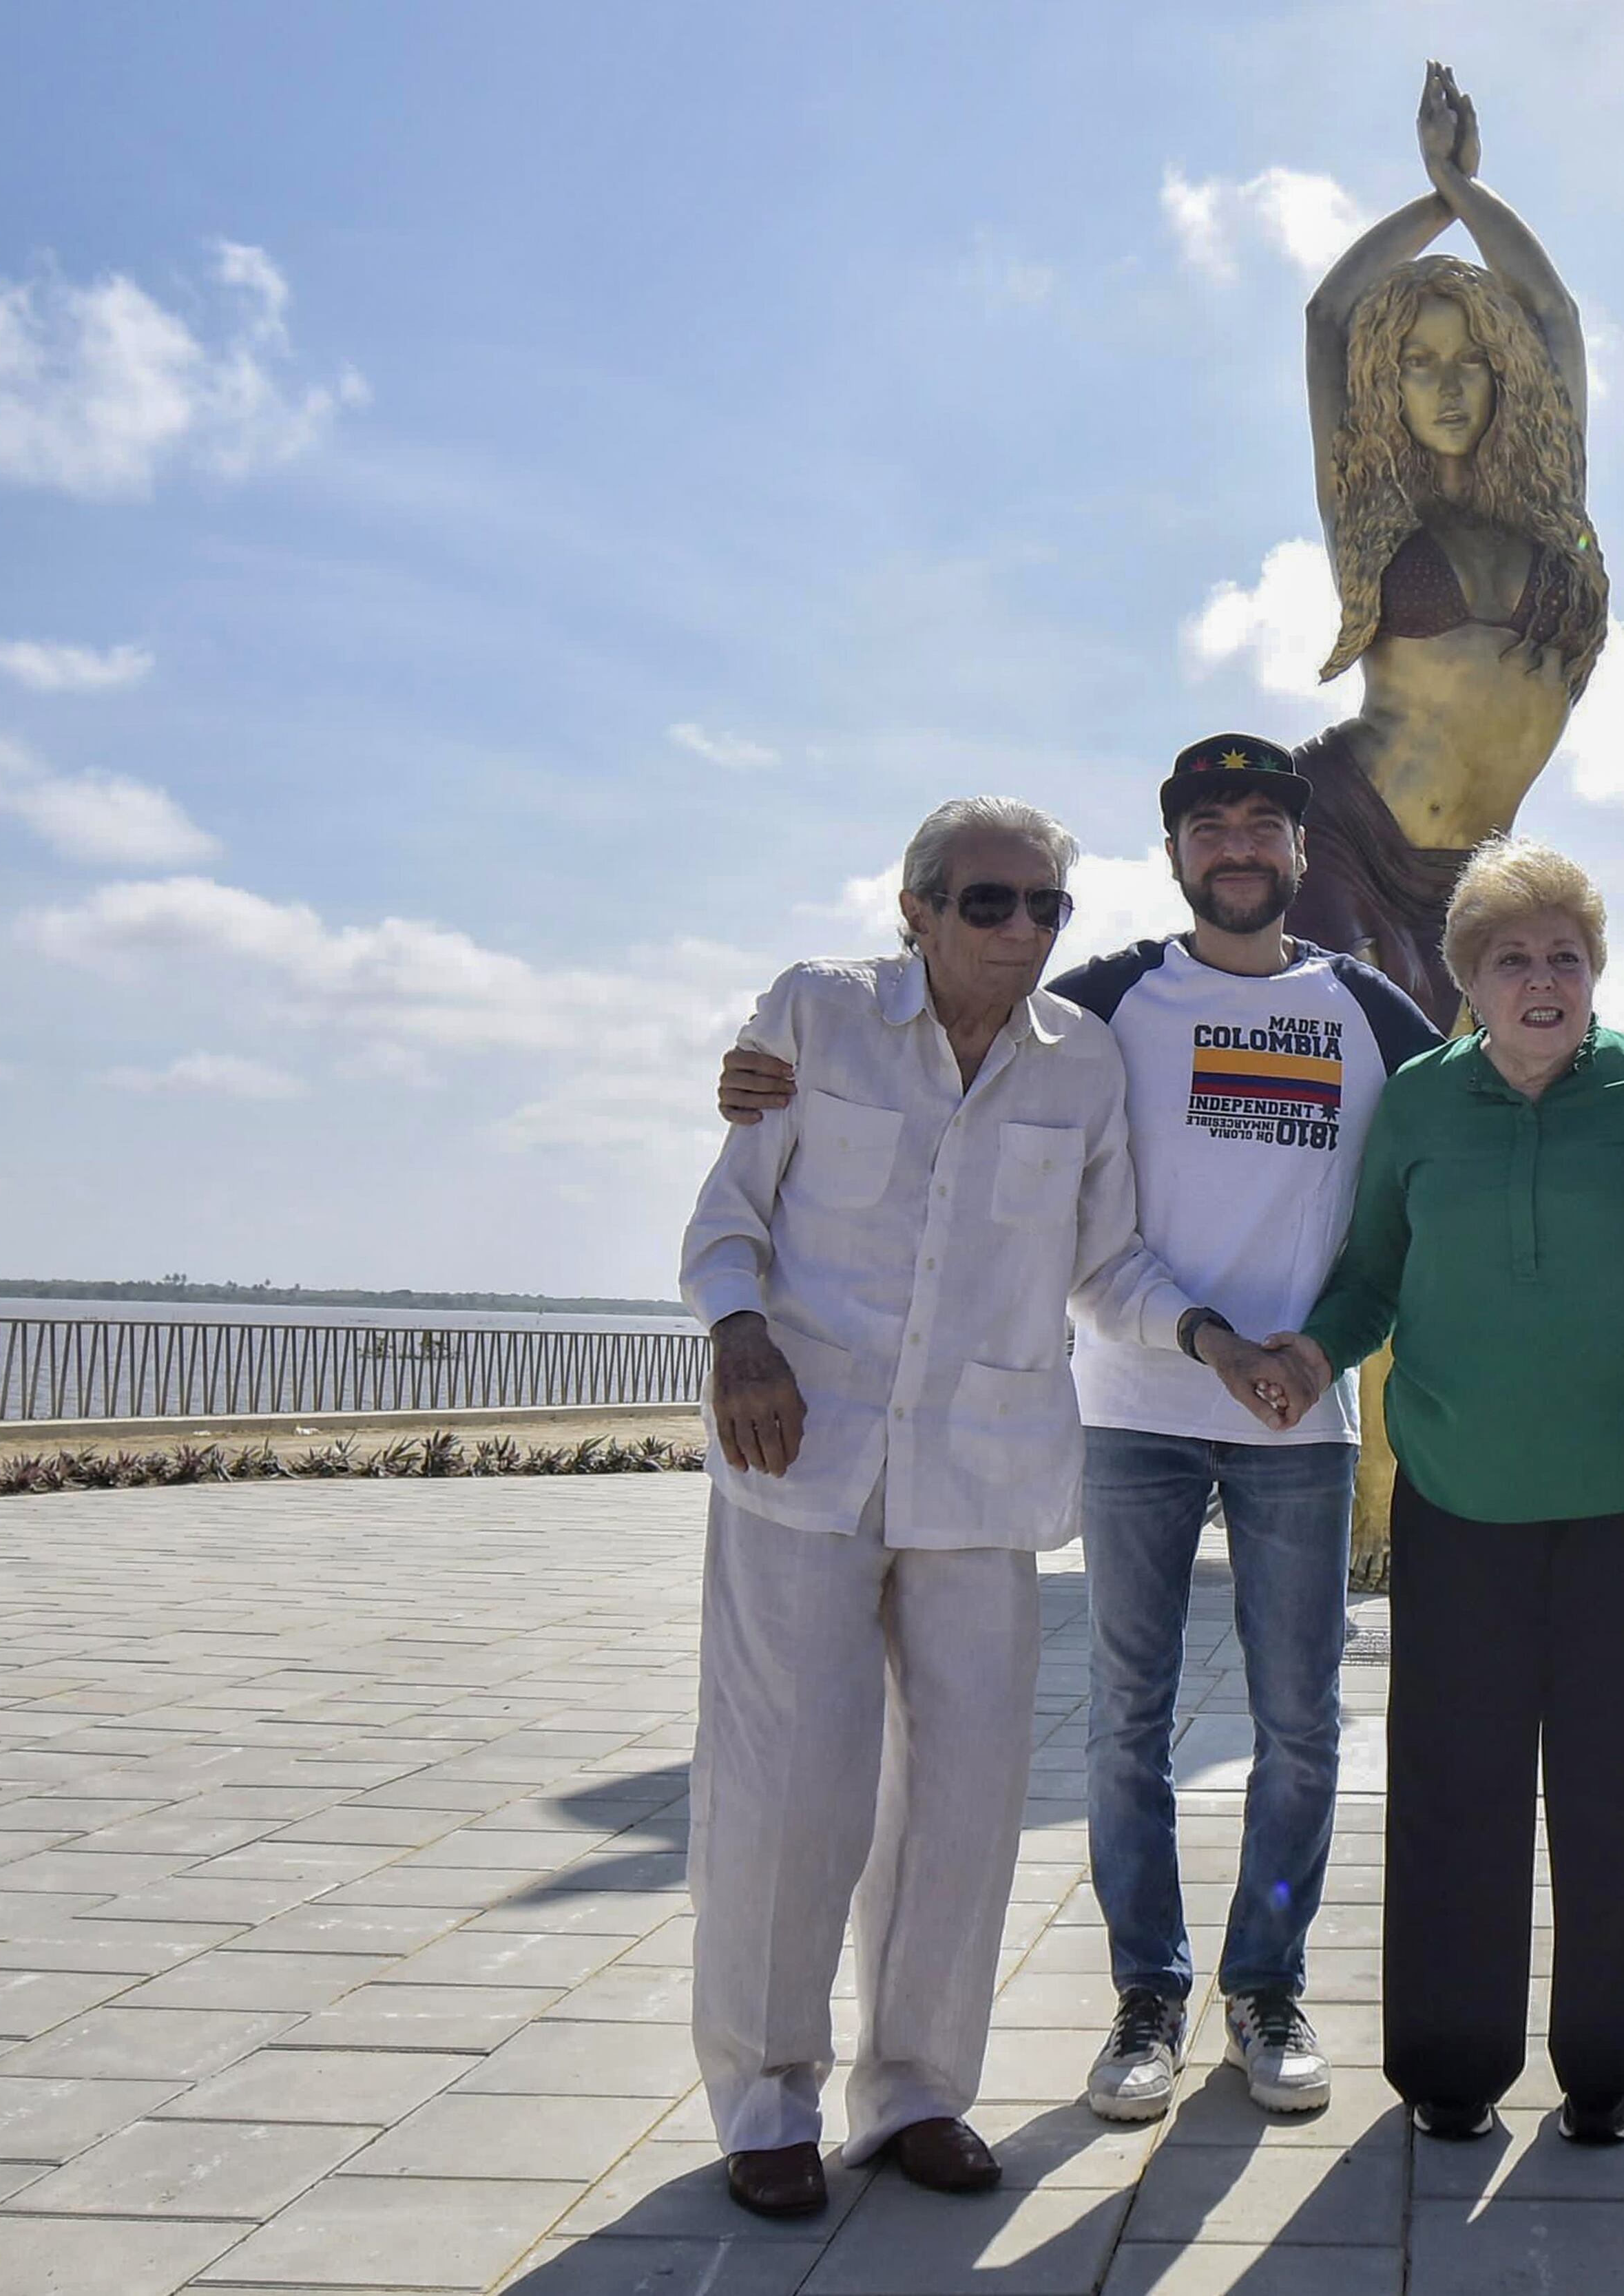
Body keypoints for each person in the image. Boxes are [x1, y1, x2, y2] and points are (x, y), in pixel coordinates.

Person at [713, 733, 1441, 2127]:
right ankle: (1147, 1994)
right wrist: (756, 1076)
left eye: (1263, 826)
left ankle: (1266, 1984)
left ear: (1299, 854)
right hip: (1133, 1412)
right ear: (1173, 855)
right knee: (1128, 1721)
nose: (1238, 846)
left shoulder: (1364, 1003)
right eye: (1208, 824)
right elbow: (940, 1025)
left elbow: (1476, 1115)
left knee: (1302, 1726)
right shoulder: (1105, 996)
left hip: (1301, 1416)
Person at [680, 797, 1182, 2217]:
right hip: (801, 1457)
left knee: (966, 1800)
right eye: (988, 902)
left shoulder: (1082, 1064)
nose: (1019, 930)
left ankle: (917, 2091)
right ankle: (767, 2097)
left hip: (986, 1471)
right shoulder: (814, 1014)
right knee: (790, 1794)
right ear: (916, 907)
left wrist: (1212, 1338)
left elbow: (1111, 1264)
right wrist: (738, 1337)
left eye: (1044, 909)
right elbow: (727, 1218)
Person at [1233, 839, 1624, 2147]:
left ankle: (1614, 2065)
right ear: (1468, 981)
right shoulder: (1422, 1104)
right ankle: (1450, 2065)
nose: (1543, 979)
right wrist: (1307, 1354)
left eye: (1566, 955)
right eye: (1513, 958)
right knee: (1457, 1785)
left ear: (1597, 971)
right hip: (1460, 1497)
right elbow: (1372, 1271)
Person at [1282, 62, 1611, 1024]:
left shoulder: (1554, 513)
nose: (1451, 385)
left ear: (1505, 374)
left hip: (1479, 870)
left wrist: (1470, 189)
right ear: (1392, 384)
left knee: (1460, 1103)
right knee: (1342, 1076)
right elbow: (1328, 317)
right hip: (1344, 826)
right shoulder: (1374, 517)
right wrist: (1435, 200)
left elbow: (1554, 314)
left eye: (1472, 359)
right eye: (1421, 365)